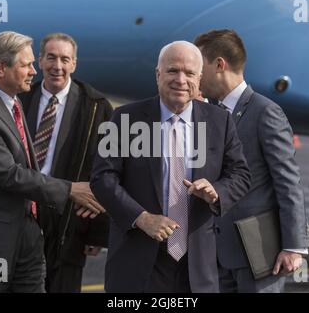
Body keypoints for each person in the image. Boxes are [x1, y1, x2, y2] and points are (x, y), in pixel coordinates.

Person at [0, 31, 105, 292]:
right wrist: (70, 190)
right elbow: (8, 174)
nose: (33, 71)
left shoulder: (13, 103)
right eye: (26, 64)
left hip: (27, 239)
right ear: (1, 68)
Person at [90, 41, 250, 292]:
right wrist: (141, 218)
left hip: (197, 264)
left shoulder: (220, 121)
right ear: (158, 75)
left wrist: (216, 191)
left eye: (189, 73)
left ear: (200, 78)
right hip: (138, 261)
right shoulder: (125, 119)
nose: (181, 80)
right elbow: (103, 178)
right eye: (173, 71)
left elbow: (240, 174)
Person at [194, 29, 309, 293]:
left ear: (219, 64)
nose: (197, 77)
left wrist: (293, 246)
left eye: (200, 68)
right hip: (219, 252)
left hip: (259, 254)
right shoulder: (210, 112)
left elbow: (288, 181)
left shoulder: (265, 112)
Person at [20, 33, 113, 293]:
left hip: (69, 220)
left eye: (65, 59)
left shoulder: (96, 107)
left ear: (74, 64)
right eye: (51, 57)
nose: (57, 66)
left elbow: (106, 170)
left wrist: (98, 232)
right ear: (40, 61)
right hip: (23, 211)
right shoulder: (21, 100)